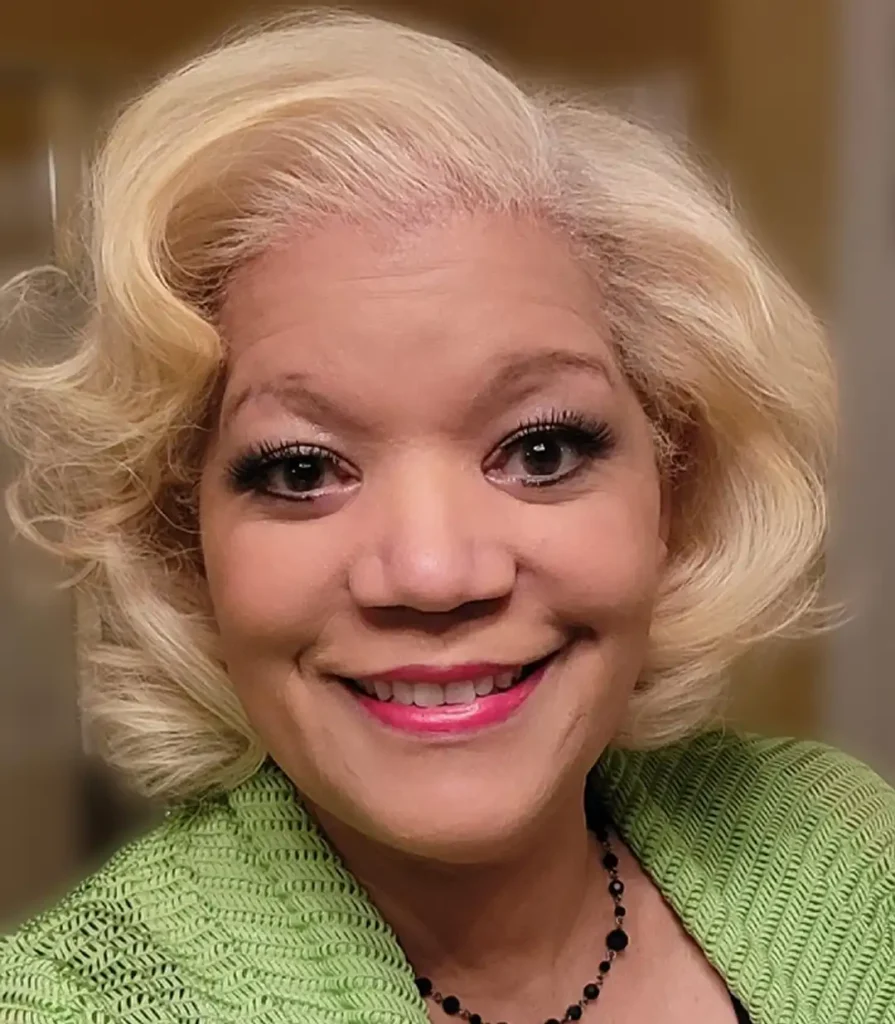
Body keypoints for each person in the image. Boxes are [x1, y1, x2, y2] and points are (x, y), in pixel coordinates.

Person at [0, 11, 892, 1024]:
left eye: (541, 450)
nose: (431, 572)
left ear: (673, 487)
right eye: (300, 469)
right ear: (184, 545)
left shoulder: (839, 849)